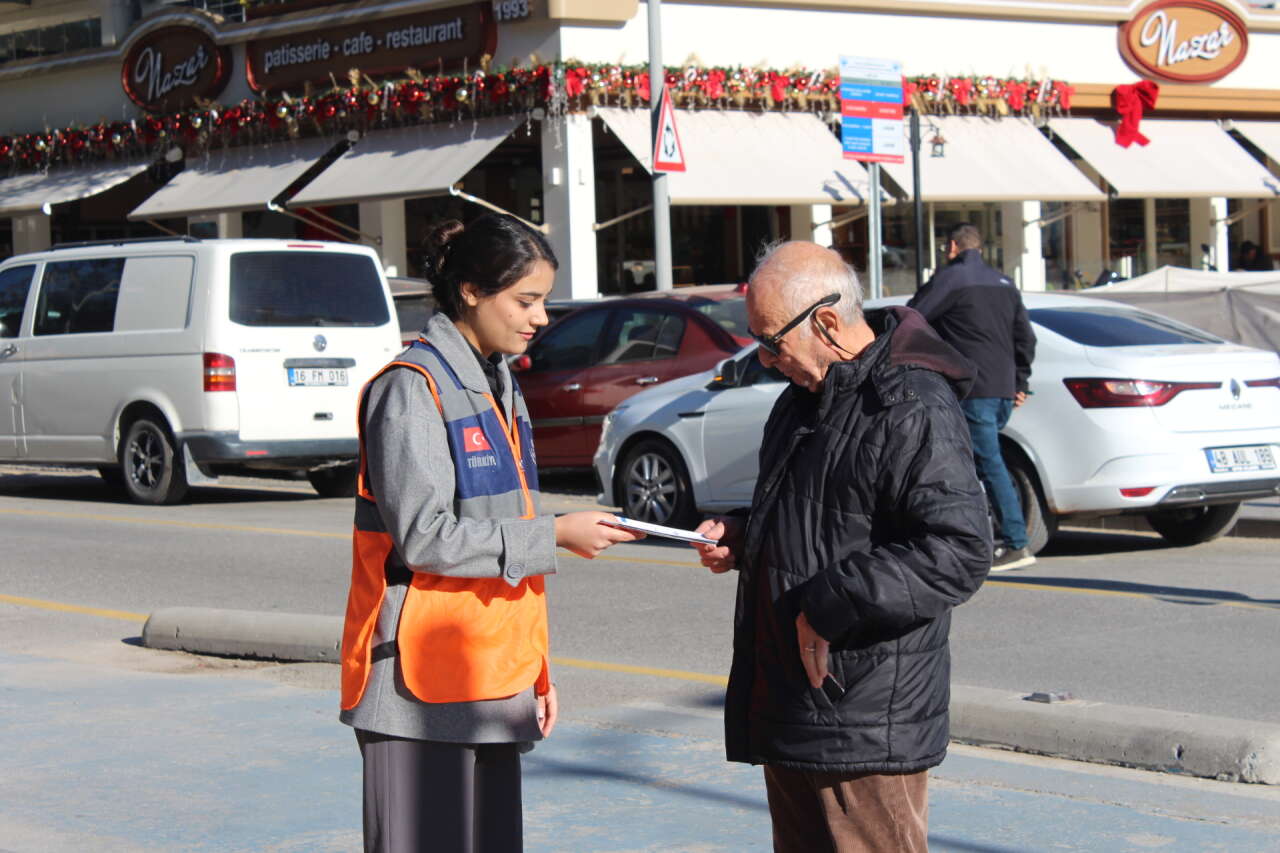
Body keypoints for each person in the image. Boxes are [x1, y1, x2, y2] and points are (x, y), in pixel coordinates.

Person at [338, 213, 640, 853]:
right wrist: (556, 535)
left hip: (491, 673)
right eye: (525, 301)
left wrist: (536, 673)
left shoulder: (499, 383)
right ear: (471, 291)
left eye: (544, 301)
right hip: (417, 687)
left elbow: (506, 528)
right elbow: (426, 538)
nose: (540, 318)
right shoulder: (412, 388)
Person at [693, 241, 991, 853]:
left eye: (771, 341)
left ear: (826, 322)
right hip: (795, 702)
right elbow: (822, 514)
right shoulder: (804, 398)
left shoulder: (909, 403)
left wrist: (830, 605)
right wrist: (744, 535)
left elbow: (958, 548)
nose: (766, 360)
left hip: (863, 711)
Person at [907, 223, 1037, 571]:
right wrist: (1020, 381)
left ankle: (1016, 543)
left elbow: (913, 317)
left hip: (973, 388)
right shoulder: (1004, 283)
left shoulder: (952, 279)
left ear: (952, 246)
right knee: (982, 463)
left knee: (985, 464)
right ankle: (982, 538)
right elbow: (1026, 338)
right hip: (1002, 391)